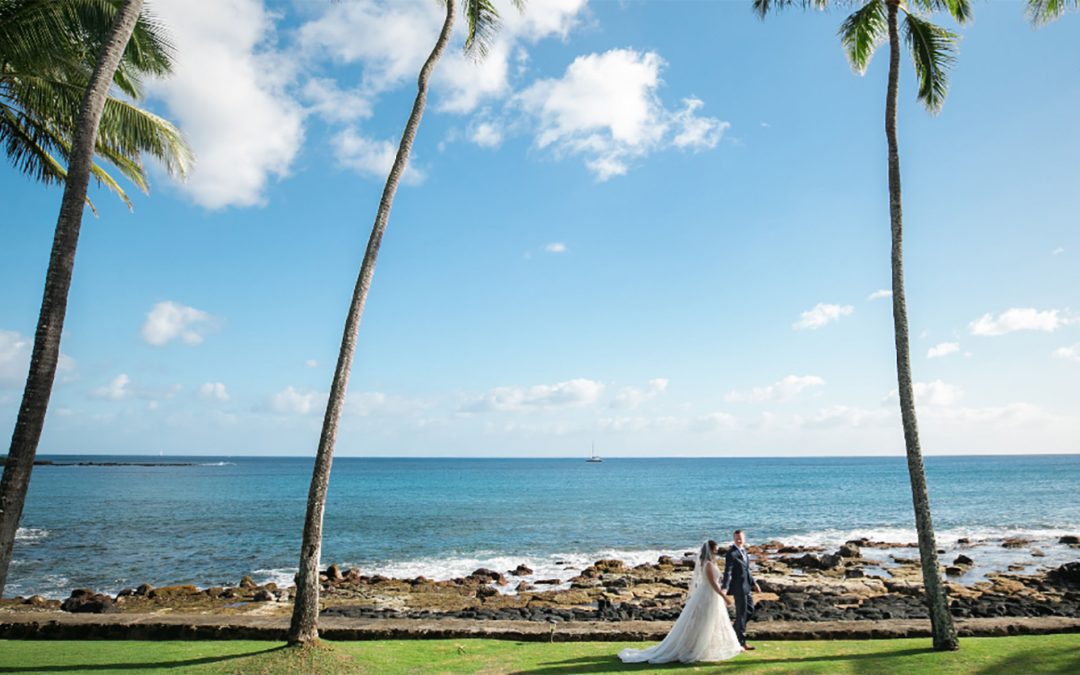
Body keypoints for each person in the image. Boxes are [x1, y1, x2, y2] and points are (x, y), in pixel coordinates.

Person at [618, 540, 743, 664]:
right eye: (714, 550)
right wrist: (724, 596)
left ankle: (706, 646)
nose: (716, 552)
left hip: (709, 595)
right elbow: (713, 584)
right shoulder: (708, 564)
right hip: (708, 595)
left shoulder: (708, 563)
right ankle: (696, 648)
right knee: (704, 621)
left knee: (710, 621)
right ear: (710, 551)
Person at [721, 529, 762, 650]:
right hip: (738, 588)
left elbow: (747, 570)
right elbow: (727, 572)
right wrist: (725, 587)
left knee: (750, 611)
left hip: (747, 587)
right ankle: (741, 642)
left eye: (741, 538)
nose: (739, 540)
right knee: (742, 614)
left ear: (744, 539)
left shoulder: (744, 551)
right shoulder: (731, 553)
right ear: (734, 539)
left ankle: (733, 633)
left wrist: (755, 584)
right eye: (737, 538)